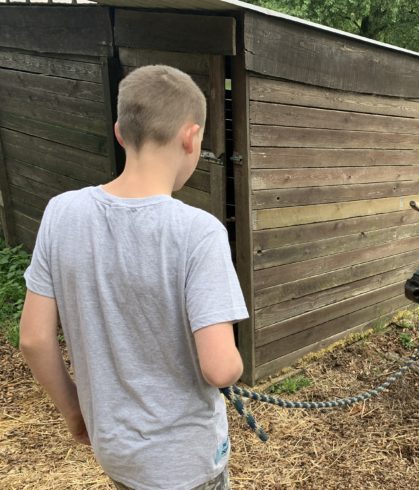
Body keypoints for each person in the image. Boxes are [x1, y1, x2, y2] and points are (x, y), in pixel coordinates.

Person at [19, 65, 248, 490]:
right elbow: (220, 368)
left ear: (121, 133)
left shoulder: (62, 213)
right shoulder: (199, 232)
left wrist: (75, 412)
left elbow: (33, 339)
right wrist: (236, 365)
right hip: (186, 462)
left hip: (115, 451)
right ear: (191, 137)